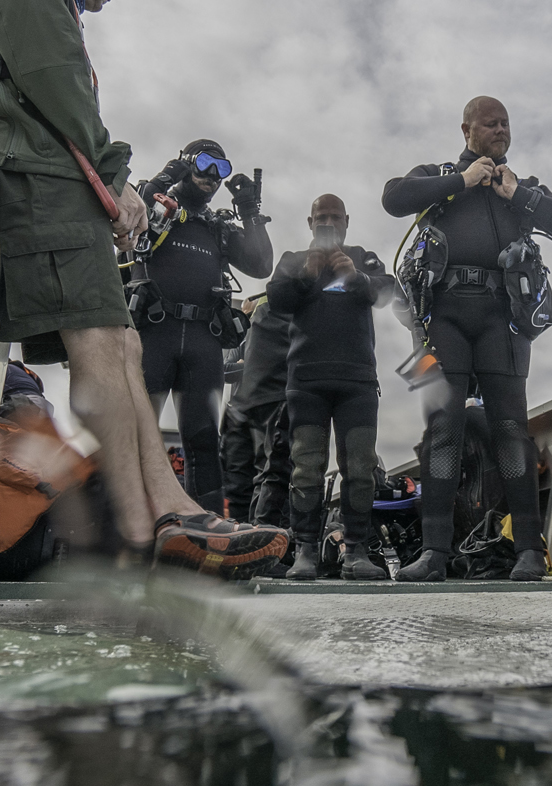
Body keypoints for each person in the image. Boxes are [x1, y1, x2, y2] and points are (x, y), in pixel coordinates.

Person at [0, 0, 286, 577]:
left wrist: (247, 211)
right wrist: (121, 179)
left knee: (119, 343)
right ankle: (143, 532)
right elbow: (55, 82)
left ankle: (170, 512)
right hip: (46, 181)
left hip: (65, 188)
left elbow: (258, 263)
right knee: (102, 346)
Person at [381, 96, 552, 581]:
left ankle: (530, 553)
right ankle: (434, 553)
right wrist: (462, 181)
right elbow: (393, 197)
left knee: (512, 431)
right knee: (443, 430)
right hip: (442, 321)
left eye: (505, 123)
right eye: (489, 123)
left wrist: (518, 196)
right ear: (466, 130)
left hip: (503, 321)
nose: (500, 130)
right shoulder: (440, 176)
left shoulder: (520, 189)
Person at [136, 139, 273, 513]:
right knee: (135, 433)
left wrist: (249, 210)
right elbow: (131, 206)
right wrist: (167, 177)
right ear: (186, 163)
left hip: (203, 342)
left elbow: (261, 265)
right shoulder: (154, 207)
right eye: (205, 163)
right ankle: (123, 533)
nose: (213, 176)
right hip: (153, 333)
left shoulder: (218, 228)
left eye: (222, 169)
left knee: (203, 440)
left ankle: (206, 529)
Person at [266, 195, 394, 580]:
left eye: (334, 217)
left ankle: (356, 552)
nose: (328, 223)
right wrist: (307, 274)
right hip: (306, 381)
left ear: (346, 221)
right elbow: (275, 300)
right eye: (321, 218)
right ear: (310, 222)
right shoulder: (292, 260)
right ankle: (305, 551)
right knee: (305, 469)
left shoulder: (362, 256)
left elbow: (386, 290)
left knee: (360, 468)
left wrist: (356, 278)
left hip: (357, 381)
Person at [220, 295, 294, 524]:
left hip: (269, 412)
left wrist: (247, 366)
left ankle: (267, 532)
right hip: (241, 413)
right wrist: (246, 366)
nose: (246, 303)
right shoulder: (241, 340)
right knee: (239, 480)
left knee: (271, 472)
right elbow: (225, 371)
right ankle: (240, 535)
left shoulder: (278, 333)